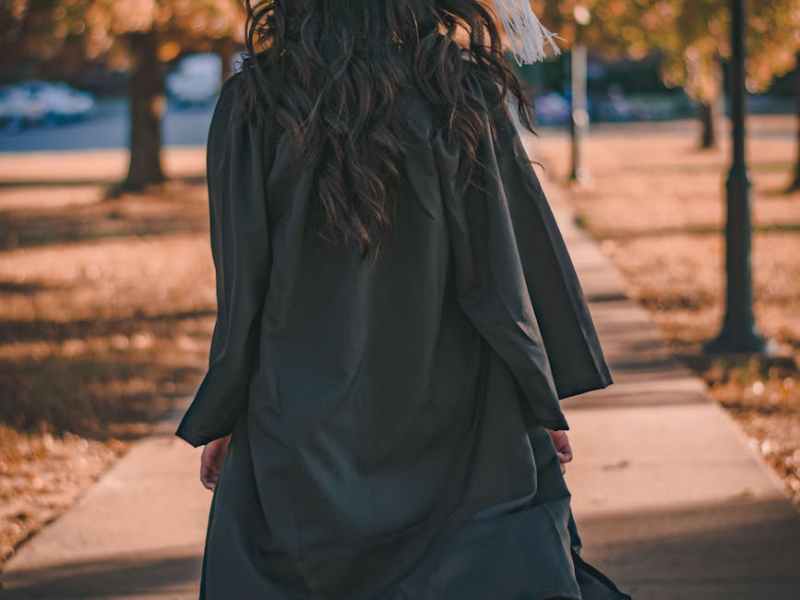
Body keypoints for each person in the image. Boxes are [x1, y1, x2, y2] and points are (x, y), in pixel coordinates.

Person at [175, 1, 632, 599]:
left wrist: (227, 410)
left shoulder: (255, 104)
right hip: (460, 416)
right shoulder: (460, 94)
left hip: (303, 420)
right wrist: (535, 398)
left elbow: (243, 286)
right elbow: (503, 268)